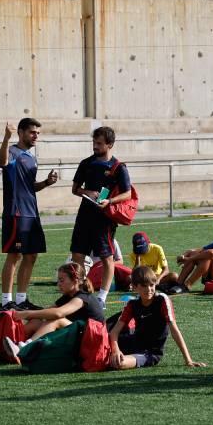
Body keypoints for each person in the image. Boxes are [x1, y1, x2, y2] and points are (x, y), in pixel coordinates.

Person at [0, 118, 58, 312]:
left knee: (31, 256)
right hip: (16, 213)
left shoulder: (32, 157)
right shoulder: (13, 152)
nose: (36, 136)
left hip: (32, 213)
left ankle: (21, 300)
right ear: (21, 133)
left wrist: (46, 183)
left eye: (38, 133)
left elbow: (30, 187)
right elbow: (2, 162)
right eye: (32, 132)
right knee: (14, 256)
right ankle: (6, 302)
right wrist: (6, 138)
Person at [0, 262, 106, 361]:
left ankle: (24, 348)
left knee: (56, 320)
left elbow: (58, 313)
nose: (58, 284)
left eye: (61, 280)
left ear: (75, 280)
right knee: (36, 321)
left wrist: (25, 314)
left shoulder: (83, 298)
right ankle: (0, 346)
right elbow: (46, 312)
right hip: (78, 334)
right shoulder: (67, 296)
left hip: (91, 341)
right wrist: (16, 313)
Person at [70, 126, 132, 307]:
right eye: (94, 142)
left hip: (104, 219)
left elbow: (127, 194)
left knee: (107, 258)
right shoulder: (86, 163)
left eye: (99, 143)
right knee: (77, 255)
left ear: (110, 144)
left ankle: (102, 298)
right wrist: (86, 191)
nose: (95, 146)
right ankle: (80, 292)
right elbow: (74, 189)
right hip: (84, 215)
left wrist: (110, 201)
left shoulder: (118, 167)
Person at [107, 266, 203, 370]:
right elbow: (114, 332)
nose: (149, 289)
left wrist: (188, 360)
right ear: (134, 287)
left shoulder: (162, 300)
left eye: (152, 285)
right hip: (132, 343)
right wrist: (115, 350)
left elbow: (174, 330)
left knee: (119, 363)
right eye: (144, 286)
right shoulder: (132, 304)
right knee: (102, 346)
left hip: (150, 353)